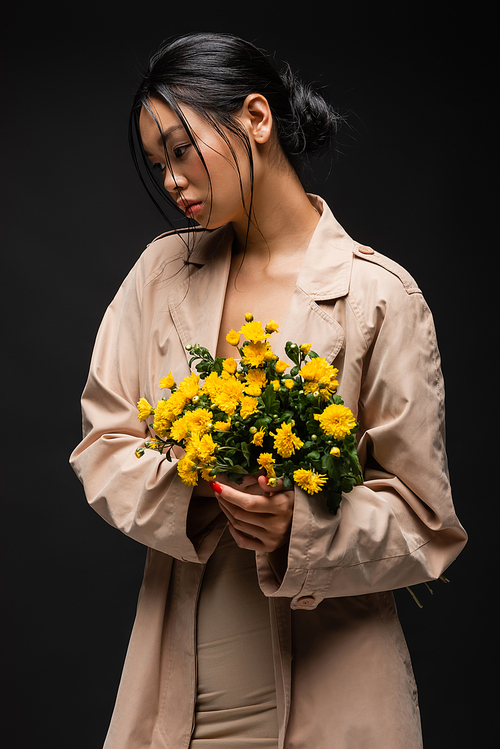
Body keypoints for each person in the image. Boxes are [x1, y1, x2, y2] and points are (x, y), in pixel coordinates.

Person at [70, 32, 467, 749]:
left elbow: (424, 524)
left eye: (180, 150)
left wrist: (299, 527)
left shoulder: (378, 296)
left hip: (335, 690)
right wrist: (197, 483)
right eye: (158, 164)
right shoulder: (160, 273)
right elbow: (103, 441)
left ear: (256, 118)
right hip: (179, 694)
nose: (170, 182)